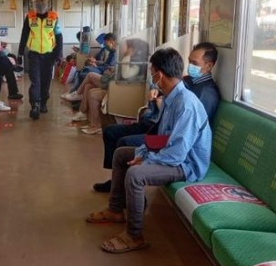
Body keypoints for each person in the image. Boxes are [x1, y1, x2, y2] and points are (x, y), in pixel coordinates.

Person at [86, 48, 212, 253]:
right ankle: (115, 209)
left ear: (159, 75)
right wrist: (143, 153)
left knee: (136, 174)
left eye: (153, 73)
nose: (153, 78)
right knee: (122, 154)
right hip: (174, 154)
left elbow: (177, 153)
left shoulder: (186, 105)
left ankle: (134, 235)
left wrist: (147, 160)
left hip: (187, 164)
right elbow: (160, 138)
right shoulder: (172, 98)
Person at [93, 42, 221, 193]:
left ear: (208, 66)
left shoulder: (203, 95)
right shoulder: (187, 81)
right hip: (162, 129)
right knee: (113, 135)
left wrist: (148, 158)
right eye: (189, 61)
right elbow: (168, 90)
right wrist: (157, 91)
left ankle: (122, 184)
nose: (189, 66)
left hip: (182, 152)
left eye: (194, 63)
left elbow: (184, 137)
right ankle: (118, 182)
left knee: (125, 145)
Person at [18, 0, 63, 120]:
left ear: (47, 3)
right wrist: (20, 53)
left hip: (49, 55)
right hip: (34, 54)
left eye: (42, 2)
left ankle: (43, 102)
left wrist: (59, 54)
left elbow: (59, 36)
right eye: (37, 2)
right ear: (33, 4)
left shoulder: (54, 17)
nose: (40, 5)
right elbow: (24, 35)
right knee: (35, 81)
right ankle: (35, 105)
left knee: (46, 80)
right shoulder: (30, 17)